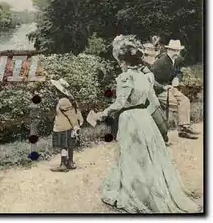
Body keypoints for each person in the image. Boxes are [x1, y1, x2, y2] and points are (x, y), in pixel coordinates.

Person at [98, 35, 199, 213]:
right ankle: (151, 191)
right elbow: (154, 103)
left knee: (131, 156)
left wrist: (103, 113)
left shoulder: (124, 78)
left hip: (129, 119)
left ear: (123, 60)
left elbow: (120, 103)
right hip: (144, 118)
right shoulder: (148, 77)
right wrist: (146, 115)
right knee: (149, 157)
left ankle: (135, 192)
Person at [151, 39, 200, 139]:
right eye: (174, 50)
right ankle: (182, 130)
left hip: (170, 87)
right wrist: (162, 87)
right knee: (176, 104)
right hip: (159, 90)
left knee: (185, 100)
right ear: (169, 50)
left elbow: (179, 71)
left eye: (178, 50)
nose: (176, 53)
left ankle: (185, 128)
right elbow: (150, 80)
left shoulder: (176, 60)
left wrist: (177, 78)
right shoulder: (160, 63)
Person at [50, 79, 83, 172]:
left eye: (56, 89)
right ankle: (70, 162)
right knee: (69, 145)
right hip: (68, 127)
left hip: (63, 127)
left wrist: (75, 126)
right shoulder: (68, 100)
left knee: (63, 146)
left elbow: (71, 114)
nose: (55, 91)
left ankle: (63, 164)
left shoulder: (63, 101)